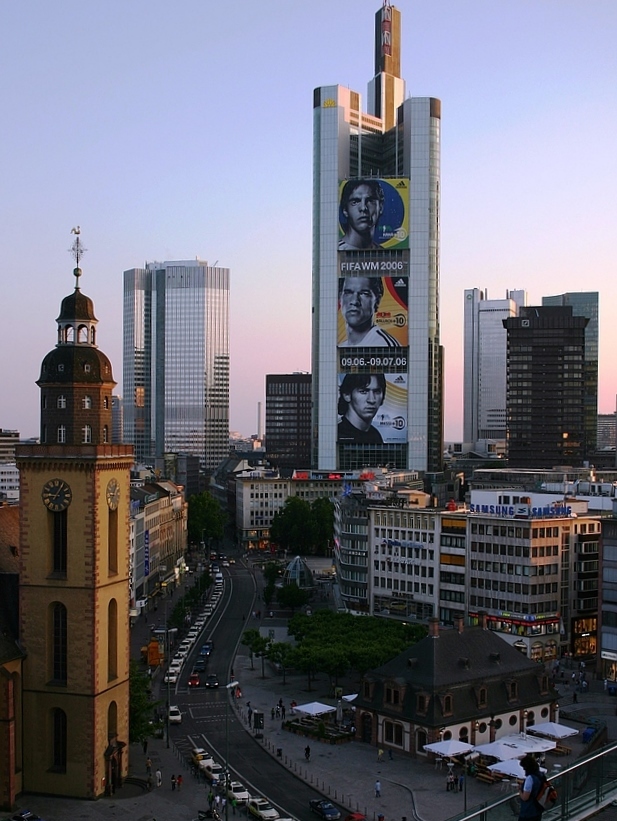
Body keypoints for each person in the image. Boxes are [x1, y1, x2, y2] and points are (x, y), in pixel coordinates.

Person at [338, 277, 400, 347]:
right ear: (340, 298)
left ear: (377, 301)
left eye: (364, 294)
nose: (355, 301)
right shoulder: (341, 347)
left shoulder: (384, 344)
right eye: (348, 293)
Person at [338, 373, 386, 444]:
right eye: (363, 391)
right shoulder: (338, 433)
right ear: (347, 395)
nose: (371, 400)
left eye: (377, 392)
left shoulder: (375, 435)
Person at [338, 179, 385, 250]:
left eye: (370, 201)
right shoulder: (336, 250)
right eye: (355, 202)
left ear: (380, 208)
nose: (363, 208)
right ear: (345, 210)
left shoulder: (383, 253)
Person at [518, 754, 543, 821]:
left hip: (528, 812)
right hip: (538, 809)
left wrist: (520, 790)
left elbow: (525, 797)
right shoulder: (540, 775)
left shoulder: (530, 778)